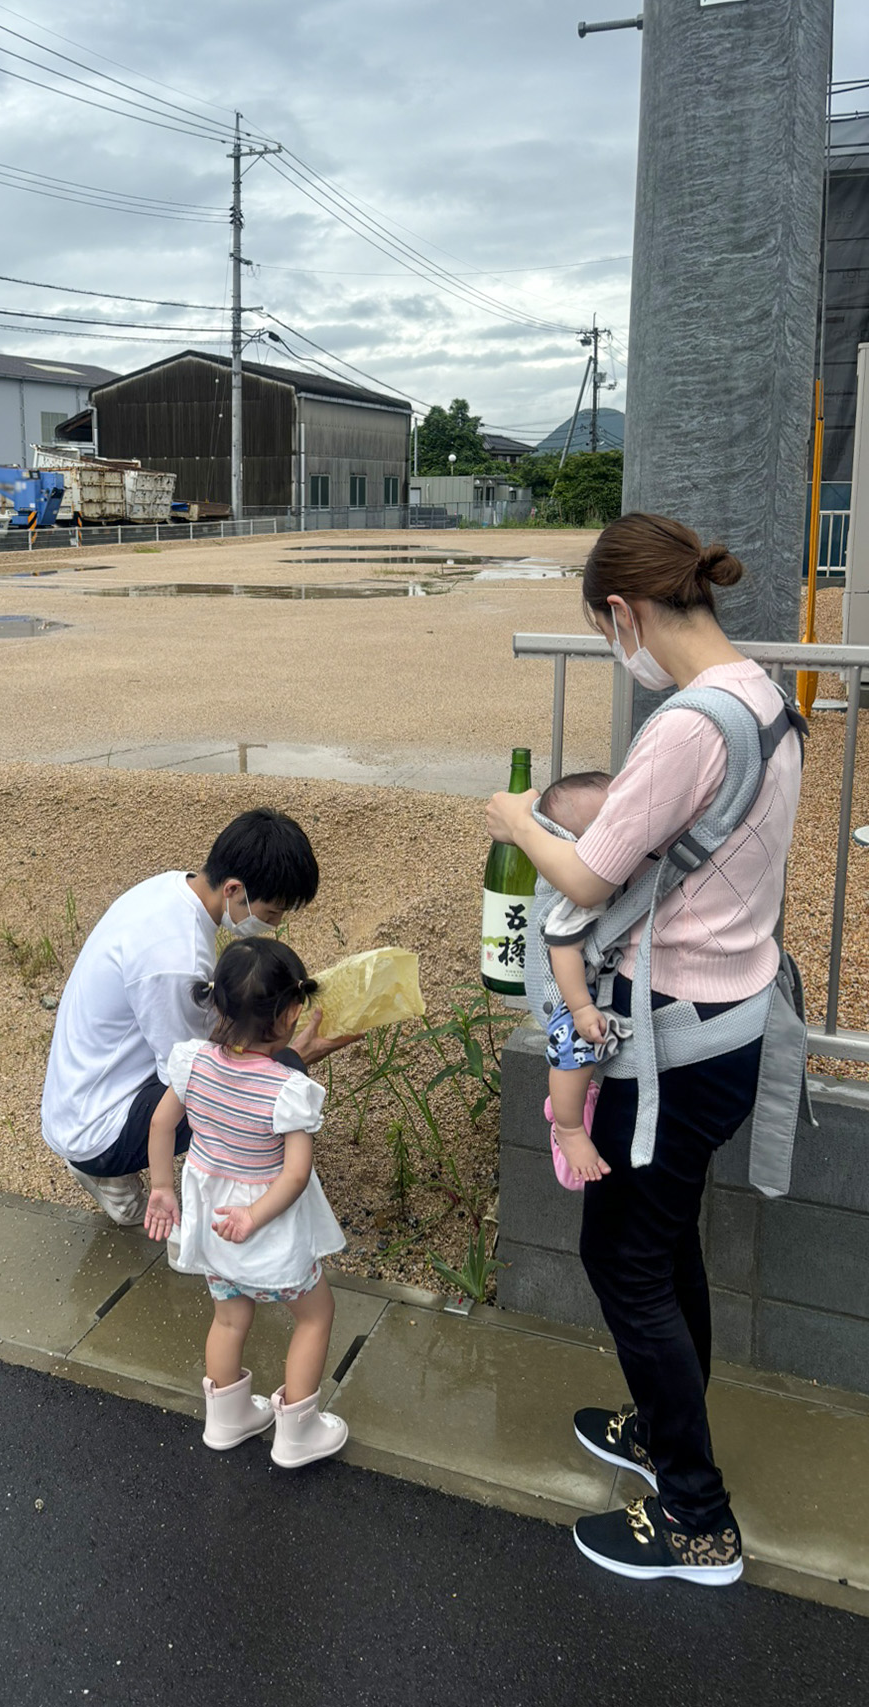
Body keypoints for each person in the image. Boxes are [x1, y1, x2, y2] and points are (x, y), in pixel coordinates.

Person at [485, 512, 803, 1586]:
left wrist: (520, 816)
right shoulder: (764, 696)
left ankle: (695, 1521)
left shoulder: (686, 725)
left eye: (603, 627)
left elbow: (581, 877)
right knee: (660, 1244)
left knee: (620, 1259)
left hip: (669, 1041)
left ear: (620, 613)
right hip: (730, 1020)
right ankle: (660, 1426)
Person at [40, 808, 357, 1227]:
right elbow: (202, 1079)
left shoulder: (171, 888)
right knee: (251, 1089)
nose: (274, 925)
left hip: (83, 1088)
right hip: (94, 1126)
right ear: (233, 888)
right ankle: (114, 1172)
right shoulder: (178, 961)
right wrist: (292, 1058)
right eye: (273, 913)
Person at [143, 937, 348, 1468]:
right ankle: (297, 1434)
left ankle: (227, 1417)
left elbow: (161, 1123)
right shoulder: (287, 1090)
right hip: (267, 1227)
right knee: (314, 1315)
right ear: (290, 1013)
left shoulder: (191, 1064)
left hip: (213, 1223)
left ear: (217, 1004)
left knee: (229, 1319)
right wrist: (255, 1216)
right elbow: (297, 1173)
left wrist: (163, 1188)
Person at [537, 770, 617, 1189]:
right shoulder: (576, 897)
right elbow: (563, 948)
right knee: (572, 1043)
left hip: (596, 984)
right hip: (570, 994)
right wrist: (582, 1006)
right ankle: (568, 1126)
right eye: (601, 830)